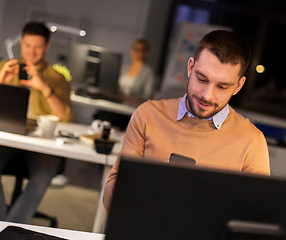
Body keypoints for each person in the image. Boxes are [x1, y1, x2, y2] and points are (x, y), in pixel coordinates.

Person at [103, 30, 270, 210]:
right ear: (190, 67)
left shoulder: (252, 141)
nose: (207, 95)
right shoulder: (148, 115)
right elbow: (109, 202)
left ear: (238, 86)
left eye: (222, 86)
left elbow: (256, 217)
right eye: (201, 78)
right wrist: (146, 179)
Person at [0, 21, 72, 223]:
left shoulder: (57, 78)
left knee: (46, 171)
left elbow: (64, 116)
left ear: (47, 46)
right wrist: (0, 80)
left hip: (40, 144)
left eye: (37, 47)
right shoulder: (3, 68)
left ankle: (13, 227)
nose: (32, 51)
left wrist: (43, 87)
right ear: (21, 43)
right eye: (28, 45)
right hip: (6, 137)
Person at [118, 38, 155, 105]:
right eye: (134, 49)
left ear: (146, 53)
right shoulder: (125, 68)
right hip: (118, 103)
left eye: (139, 50)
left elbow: (148, 96)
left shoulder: (148, 72)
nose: (135, 52)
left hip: (132, 108)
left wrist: (130, 99)